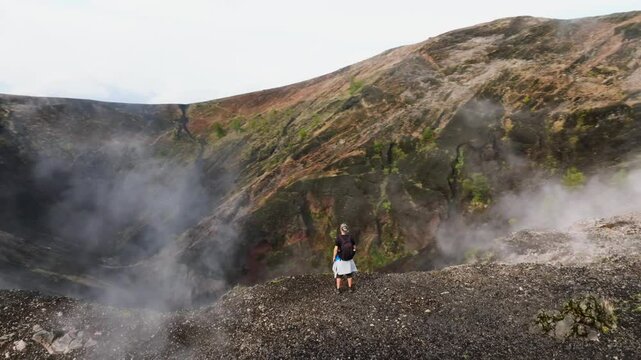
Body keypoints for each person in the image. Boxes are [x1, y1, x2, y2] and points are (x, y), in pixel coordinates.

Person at [332, 223, 358, 293]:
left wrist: (334, 257)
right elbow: (354, 248)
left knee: (339, 274)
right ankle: (350, 288)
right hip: (349, 259)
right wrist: (352, 254)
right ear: (347, 230)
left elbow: (335, 249)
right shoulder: (351, 237)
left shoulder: (338, 238)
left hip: (341, 259)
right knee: (349, 274)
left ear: (341, 229)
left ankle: (338, 289)